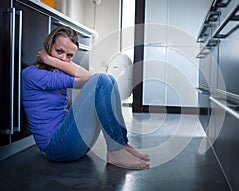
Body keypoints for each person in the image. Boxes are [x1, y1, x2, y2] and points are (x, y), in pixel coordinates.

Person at [21, 26, 150, 170]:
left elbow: (87, 78)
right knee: (101, 79)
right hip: (56, 148)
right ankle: (115, 151)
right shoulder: (32, 74)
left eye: (69, 56)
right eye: (59, 51)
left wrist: (52, 60)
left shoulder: (57, 72)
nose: (64, 59)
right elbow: (88, 77)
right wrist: (50, 60)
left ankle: (121, 144)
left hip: (74, 144)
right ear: (48, 47)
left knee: (110, 80)